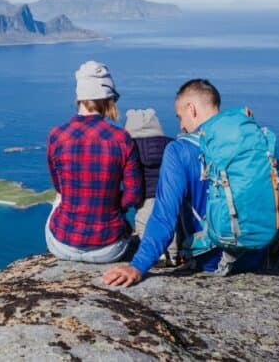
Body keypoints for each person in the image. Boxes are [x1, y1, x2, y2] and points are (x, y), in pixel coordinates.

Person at [103, 79, 268, 286]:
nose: (181, 125)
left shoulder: (179, 150)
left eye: (180, 116)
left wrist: (137, 265)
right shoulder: (250, 139)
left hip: (212, 260)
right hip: (256, 254)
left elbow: (164, 215)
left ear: (192, 108)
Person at [45, 60, 143, 263]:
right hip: (108, 249)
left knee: (59, 199)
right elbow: (134, 194)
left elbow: (60, 187)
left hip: (62, 244)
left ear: (79, 98)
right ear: (109, 99)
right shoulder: (121, 138)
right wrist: (114, 206)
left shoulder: (57, 135)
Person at [124, 109, 177, 265]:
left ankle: (157, 255)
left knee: (145, 225)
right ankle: (174, 254)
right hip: (168, 196)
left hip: (144, 199)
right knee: (172, 226)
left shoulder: (128, 149)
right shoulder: (171, 145)